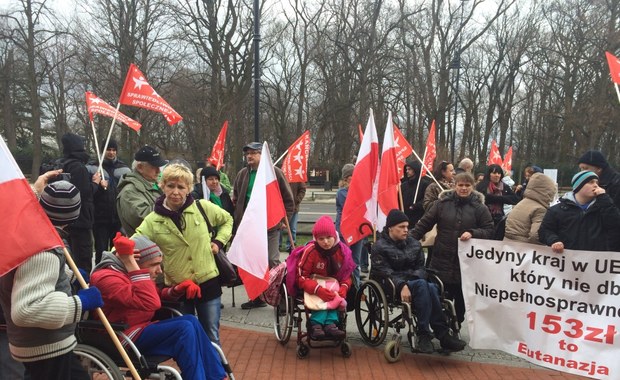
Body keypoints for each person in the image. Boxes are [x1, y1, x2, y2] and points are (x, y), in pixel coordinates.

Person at [0, 177, 103, 379]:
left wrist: (67, 275)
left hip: (42, 344)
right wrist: (79, 303)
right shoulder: (43, 251)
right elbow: (27, 309)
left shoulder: (30, 238)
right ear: (75, 215)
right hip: (45, 346)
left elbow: (29, 275)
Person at [90, 234, 226, 380]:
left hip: (139, 330)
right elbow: (150, 302)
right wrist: (131, 265)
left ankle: (216, 377)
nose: (159, 270)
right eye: (153, 264)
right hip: (120, 337)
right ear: (134, 261)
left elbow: (154, 295)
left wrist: (176, 290)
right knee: (183, 328)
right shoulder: (105, 278)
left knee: (191, 320)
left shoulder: (131, 274)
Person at [135, 163, 233, 345]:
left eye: (181, 187)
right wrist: (116, 255)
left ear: (188, 188)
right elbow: (134, 241)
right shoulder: (153, 220)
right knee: (185, 339)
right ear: (162, 186)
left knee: (211, 336)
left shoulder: (203, 207)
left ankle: (215, 372)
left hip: (208, 283)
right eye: (171, 186)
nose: (175, 192)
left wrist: (219, 242)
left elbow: (228, 219)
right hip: (177, 288)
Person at [372, 209, 467, 353]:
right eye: (401, 227)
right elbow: (384, 272)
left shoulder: (414, 244)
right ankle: (438, 334)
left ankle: (428, 334)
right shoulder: (380, 246)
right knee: (426, 286)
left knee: (430, 286)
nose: (406, 230)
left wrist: (412, 281)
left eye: (407, 226)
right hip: (392, 285)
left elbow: (421, 268)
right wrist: (402, 285)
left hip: (415, 283)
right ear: (390, 227)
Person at [411, 172, 494, 323]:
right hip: (441, 259)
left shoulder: (480, 208)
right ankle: (442, 325)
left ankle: (457, 322)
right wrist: (409, 240)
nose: (463, 188)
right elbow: (425, 223)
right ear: (455, 186)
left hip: (466, 262)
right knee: (441, 295)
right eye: (460, 185)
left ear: (472, 187)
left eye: (467, 185)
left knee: (461, 298)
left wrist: (473, 233)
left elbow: (489, 230)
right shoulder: (441, 204)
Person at [232, 142, 294, 310]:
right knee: (252, 263)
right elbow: (236, 197)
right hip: (250, 228)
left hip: (270, 226)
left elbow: (288, 201)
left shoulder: (274, 173)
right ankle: (257, 297)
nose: (249, 157)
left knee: (272, 261)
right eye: (247, 154)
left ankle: (281, 300)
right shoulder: (242, 174)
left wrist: (282, 220)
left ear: (262, 155)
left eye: (253, 153)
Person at [297, 216, 355, 340]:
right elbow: (301, 277)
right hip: (313, 286)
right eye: (321, 239)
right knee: (322, 297)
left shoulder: (342, 251)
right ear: (315, 239)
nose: (326, 242)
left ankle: (331, 325)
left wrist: (345, 287)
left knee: (335, 296)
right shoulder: (310, 252)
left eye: (329, 238)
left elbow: (347, 275)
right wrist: (318, 289)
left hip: (335, 285)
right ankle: (316, 324)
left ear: (335, 236)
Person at [539, 171, 620, 253]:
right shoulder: (557, 210)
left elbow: (615, 225)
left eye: (596, 182)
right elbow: (544, 231)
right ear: (579, 186)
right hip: (567, 260)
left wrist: (604, 199)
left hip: (595, 261)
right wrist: (554, 241)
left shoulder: (604, 207)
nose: (596, 185)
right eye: (591, 182)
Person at [61, 132, 102, 272]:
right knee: (83, 257)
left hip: (66, 220)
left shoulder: (63, 164)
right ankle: (82, 286)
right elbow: (85, 193)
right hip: (81, 220)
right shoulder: (78, 167)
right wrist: (95, 183)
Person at [89, 139, 131, 264]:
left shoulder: (124, 169)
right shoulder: (93, 168)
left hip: (118, 217)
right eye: (108, 150)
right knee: (101, 250)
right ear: (102, 151)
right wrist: (97, 185)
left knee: (118, 250)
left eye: (113, 150)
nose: (111, 153)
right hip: (100, 217)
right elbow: (89, 193)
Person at [117, 146, 167, 237]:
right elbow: (141, 219)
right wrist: (168, 202)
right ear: (140, 167)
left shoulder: (153, 185)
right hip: (143, 246)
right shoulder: (129, 191)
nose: (158, 171)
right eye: (154, 167)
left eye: (159, 167)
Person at [504, 173, 556, 244]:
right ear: (548, 192)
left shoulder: (522, 202)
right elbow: (535, 236)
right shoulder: (540, 209)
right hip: (523, 249)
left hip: (508, 245)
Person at [335, 163, 364, 286]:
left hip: (358, 229)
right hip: (345, 231)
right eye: (353, 175)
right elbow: (352, 205)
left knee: (355, 261)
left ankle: (356, 287)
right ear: (347, 177)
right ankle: (344, 285)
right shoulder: (342, 192)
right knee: (345, 260)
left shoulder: (359, 190)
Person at [400, 160, 430, 226]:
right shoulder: (403, 185)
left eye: (409, 169)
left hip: (418, 216)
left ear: (415, 170)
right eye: (406, 169)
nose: (407, 171)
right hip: (404, 216)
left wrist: (415, 206)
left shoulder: (424, 184)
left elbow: (426, 199)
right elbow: (399, 198)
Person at [283, 180, 307, 252]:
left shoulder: (297, 178)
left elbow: (303, 189)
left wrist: (297, 200)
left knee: (292, 228)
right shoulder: (283, 174)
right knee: (279, 228)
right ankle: (278, 245)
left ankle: (290, 245)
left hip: (294, 207)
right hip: (282, 207)